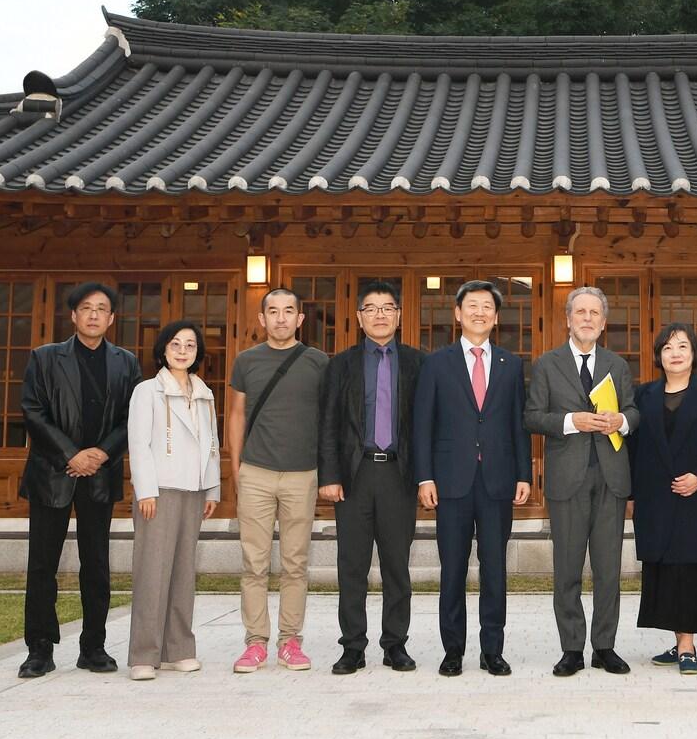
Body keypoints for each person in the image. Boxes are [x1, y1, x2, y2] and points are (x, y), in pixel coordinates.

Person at [17, 282, 141, 679]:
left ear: (111, 318)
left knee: (97, 564)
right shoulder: (45, 358)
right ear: (72, 316)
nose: (93, 315)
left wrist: (101, 453)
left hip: (100, 475)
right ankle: (39, 648)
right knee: (42, 565)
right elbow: (33, 412)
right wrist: (72, 454)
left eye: (101, 309)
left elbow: (131, 418)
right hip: (52, 472)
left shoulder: (126, 363)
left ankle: (94, 646)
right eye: (85, 308)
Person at [413, 280, 532, 677]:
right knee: (453, 569)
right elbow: (423, 425)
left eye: (487, 307)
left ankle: (492, 650)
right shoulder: (437, 362)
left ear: (496, 318)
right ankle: (453, 651)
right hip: (451, 481)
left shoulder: (510, 364)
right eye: (472, 306)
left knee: (495, 568)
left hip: (498, 480)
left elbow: (518, 424)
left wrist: (524, 474)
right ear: (458, 314)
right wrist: (425, 477)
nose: (480, 312)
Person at [525, 286, 639, 677]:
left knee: (609, 570)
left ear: (603, 323)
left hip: (611, 478)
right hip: (567, 478)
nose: (587, 318)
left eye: (595, 313)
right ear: (568, 320)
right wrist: (571, 422)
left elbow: (633, 412)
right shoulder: (546, 364)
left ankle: (604, 646)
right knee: (568, 569)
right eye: (581, 312)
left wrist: (620, 421)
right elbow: (533, 416)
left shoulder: (618, 365)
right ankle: (572, 647)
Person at [317, 280, 425, 675]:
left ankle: (395, 644)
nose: (380, 314)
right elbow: (328, 422)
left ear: (399, 315)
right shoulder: (341, 364)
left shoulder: (417, 363)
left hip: (399, 474)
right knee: (352, 565)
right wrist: (329, 474)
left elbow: (426, 425)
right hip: (354, 475)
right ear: (359, 318)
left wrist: (426, 477)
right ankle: (353, 647)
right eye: (371, 308)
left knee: (397, 565)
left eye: (387, 307)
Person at [227, 288, 329, 673]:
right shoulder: (246, 361)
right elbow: (235, 415)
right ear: (262, 319)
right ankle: (255, 643)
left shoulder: (318, 362)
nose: (281, 318)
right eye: (273, 311)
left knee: (295, 563)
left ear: (301, 319)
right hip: (255, 471)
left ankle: (290, 641)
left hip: (302, 474)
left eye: (289, 311)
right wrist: (237, 468)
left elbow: (327, 420)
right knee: (253, 563)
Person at [629, 323, 697, 675]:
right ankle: (677, 642)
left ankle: (688, 646)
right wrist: (629, 492)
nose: (675, 353)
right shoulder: (644, 395)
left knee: (688, 569)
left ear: (694, 354)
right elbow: (633, 446)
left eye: (683, 346)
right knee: (663, 569)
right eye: (668, 347)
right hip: (654, 495)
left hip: (693, 495)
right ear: (659, 355)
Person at [125, 320, 220, 681]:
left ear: (198, 353)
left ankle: (179, 648)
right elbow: (139, 444)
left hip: (194, 491)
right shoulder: (147, 391)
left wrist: (212, 489)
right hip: (159, 492)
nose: (182, 350)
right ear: (163, 349)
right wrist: (145, 490)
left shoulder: (204, 392)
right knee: (152, 572)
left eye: (190, 345)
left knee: (182, 573)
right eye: (175, 344)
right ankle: (143, 654)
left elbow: (211, 443)